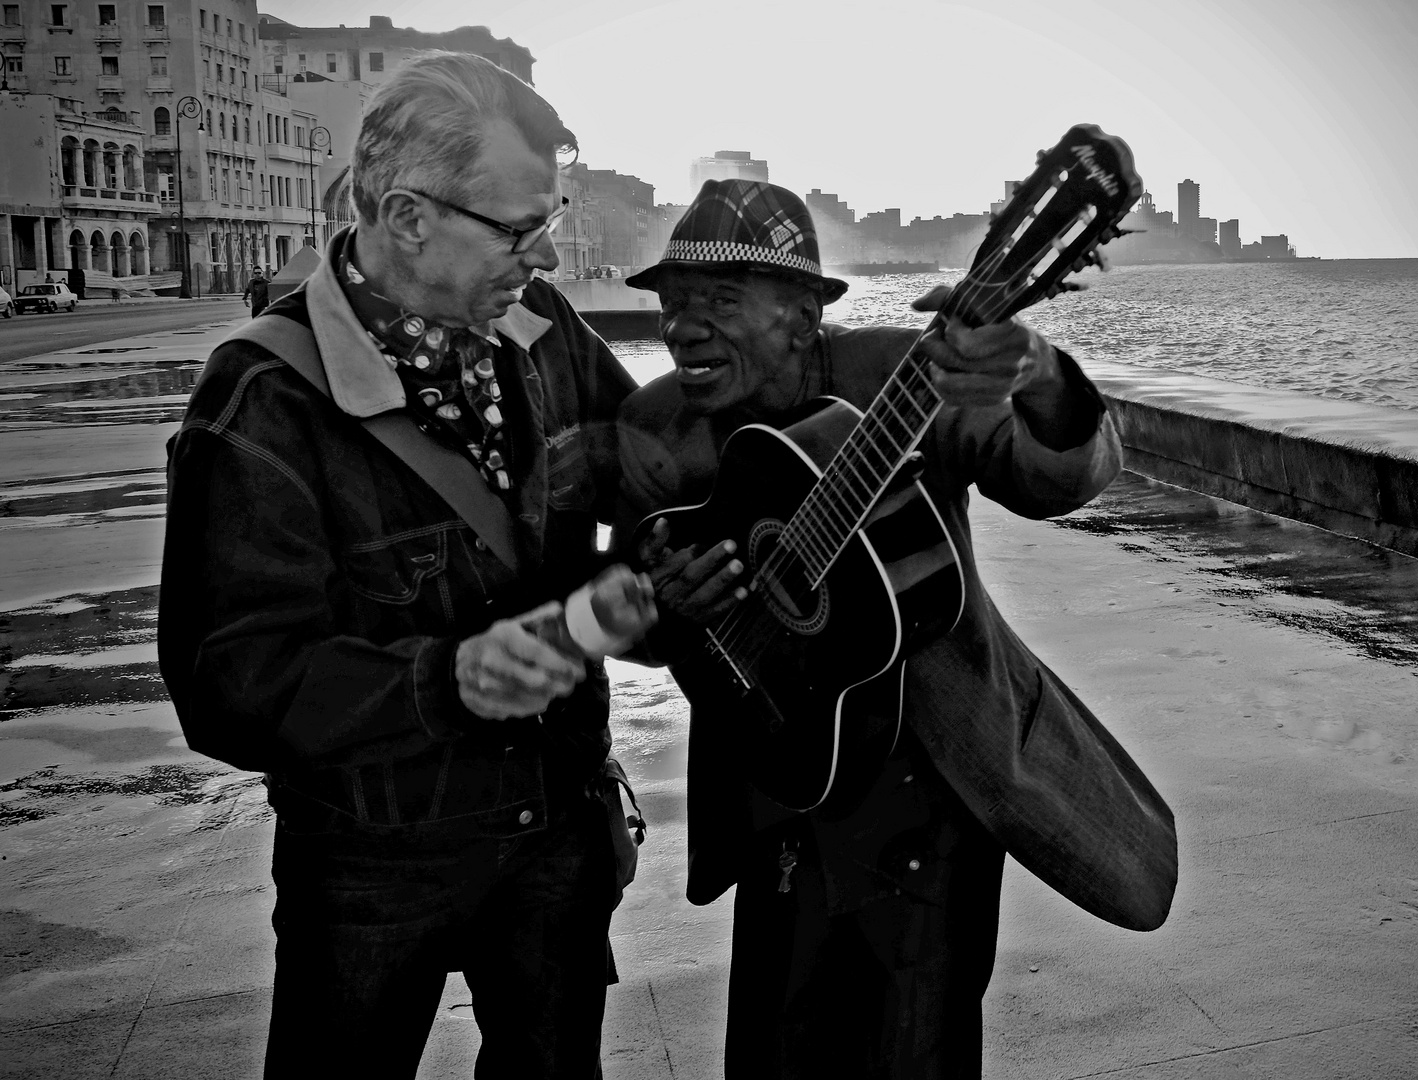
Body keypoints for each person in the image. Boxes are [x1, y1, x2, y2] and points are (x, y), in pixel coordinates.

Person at [614, 180, 1178, 1078]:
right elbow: (632, 613)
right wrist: (662, 603)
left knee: (918, 1044)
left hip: (931, 775)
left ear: (802, 316)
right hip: (780, 766)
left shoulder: (898, 379)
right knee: (771, 1041)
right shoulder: (655, 429)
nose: (682, 327)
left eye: (719, 302)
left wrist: (1035, 372)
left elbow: (1055, 479)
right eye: (673, 303)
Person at [159, 52, 650, 1078]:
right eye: (520, 230)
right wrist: (449, 678)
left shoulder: (539, 326)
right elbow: (231, 685)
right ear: (407, 215)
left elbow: (644, 469)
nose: (549, 258)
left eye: (547, 221)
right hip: (374, 865)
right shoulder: (261, 402)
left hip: (555, 830)